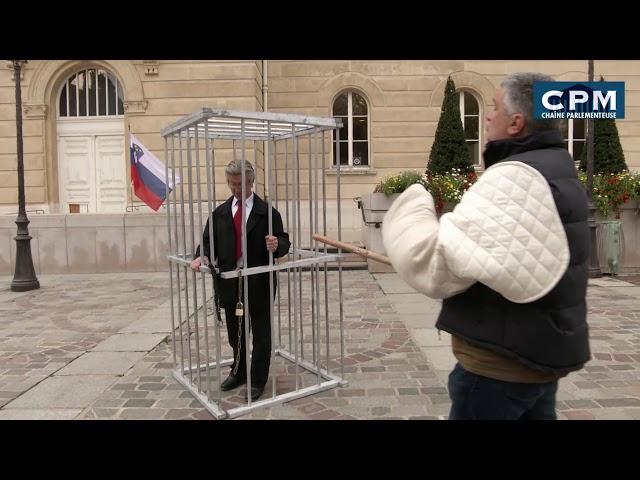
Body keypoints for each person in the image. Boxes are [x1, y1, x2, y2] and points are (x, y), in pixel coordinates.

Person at [382, 72, 590, 420]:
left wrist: (412, 205)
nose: (489, 115)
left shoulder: (515, 177)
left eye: (494, 107)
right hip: (538, 356)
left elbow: (437, 263)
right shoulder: (559, 167)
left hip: (500, 364)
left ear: (516, 122)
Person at [191, 158, 290, 401]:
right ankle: (239, 371)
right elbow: (207, 241)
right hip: (229, 283)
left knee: (261, 334)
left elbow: (283, 241)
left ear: (250, 182)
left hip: (258, 282)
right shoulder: (220, 213)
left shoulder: (267, 212)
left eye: (240, 184)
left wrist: (277, 245)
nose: (236, 189)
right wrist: (201, 256)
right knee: (236, 330)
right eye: (232, 184)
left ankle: (257, 381)